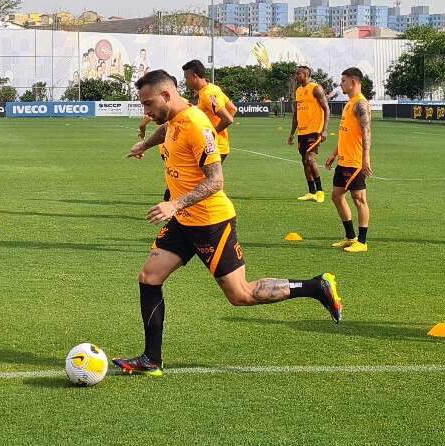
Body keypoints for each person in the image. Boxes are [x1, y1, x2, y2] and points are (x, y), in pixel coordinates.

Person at [115, 70, 343, 377]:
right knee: (149, 277)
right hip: (184, 221)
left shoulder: (197, 125)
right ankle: (151, 359)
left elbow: (216, 181)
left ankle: (316, 287)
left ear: (167, 95)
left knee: (241, 295)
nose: (146, 110)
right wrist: (145, 145)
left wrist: (174, 203)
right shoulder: (175, 118)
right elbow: (167, 129)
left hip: (211, 221)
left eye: (148, 103)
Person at [325, 67, 372, 253]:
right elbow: (347, 133)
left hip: (355, 161)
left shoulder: (361, 104)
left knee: (359, 199)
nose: (340, 84)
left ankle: (362, 241)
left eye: (343, 80)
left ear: (353, 82)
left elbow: (366, 131)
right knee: (337, 196)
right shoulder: (349, 103)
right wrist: (334, 154)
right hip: (343, 160)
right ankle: (350, 237)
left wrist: (366, 157)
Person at [288, 66, 330, 203]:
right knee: (304, 161)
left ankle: (320, 191)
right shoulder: (298, 90)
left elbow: (326, 109)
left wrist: (324, 129)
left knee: (310, 159)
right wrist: (292, 134)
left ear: (306, 74)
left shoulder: (316, 88)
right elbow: (296, 114)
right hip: (302, 132)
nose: (296, 76)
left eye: (298, 73)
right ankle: (311, 192)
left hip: (315, 130)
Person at [182, 59, 236, 163]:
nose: (186, 81)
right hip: (219, 146)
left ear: (194, 76)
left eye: (187, 78)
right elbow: (232, 109)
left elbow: (228, 119)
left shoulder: (208, 93)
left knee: (203, 178)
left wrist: (212, 134)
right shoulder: (212, 88)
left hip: (214, 147)